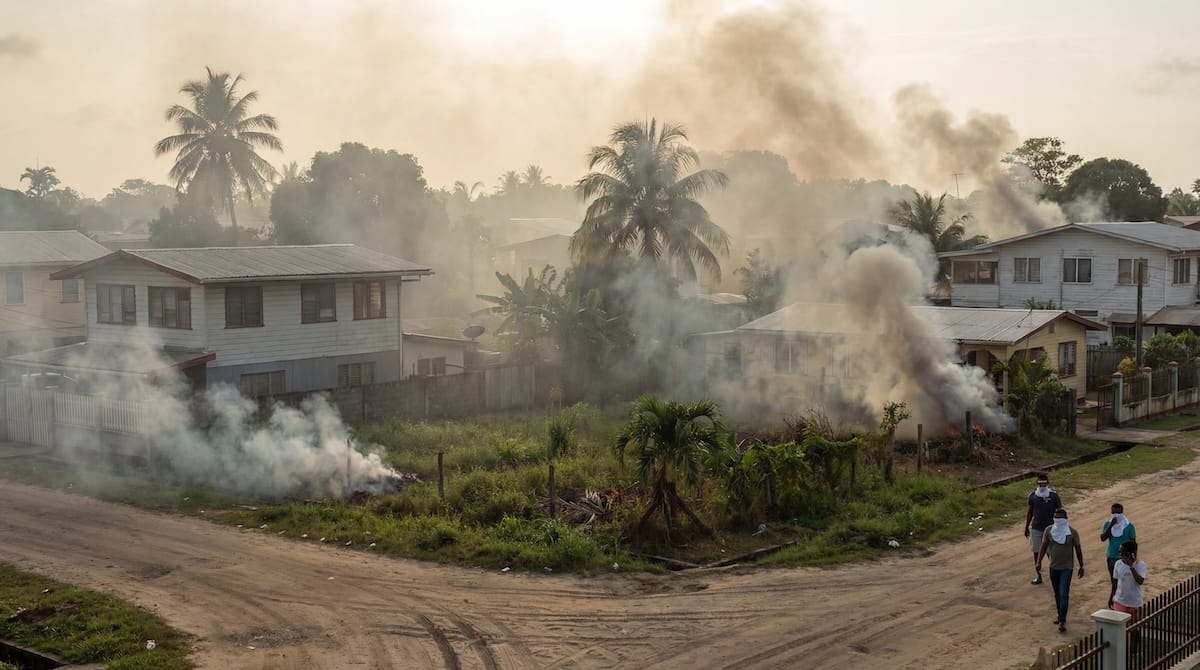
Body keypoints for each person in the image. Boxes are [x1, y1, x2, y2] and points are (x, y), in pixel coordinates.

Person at [1036, 507, 1085, 632]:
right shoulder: (1049, 531)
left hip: (1067, 568)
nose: (1058, 520)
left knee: (1064, 594)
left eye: (1061, 518)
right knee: (1057, 594)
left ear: (1066, 519)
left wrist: (1081, 566)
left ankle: (1062, 621)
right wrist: (1038, 561)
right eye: (1056, 517)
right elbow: (1043, 546)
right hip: (1053, 567)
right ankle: (1060, 615)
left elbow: (1078, 549)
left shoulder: (1072, 533)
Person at [1025, 474, 1063, 585]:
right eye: (1040, 484)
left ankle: (1055, 575)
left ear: (1047, 483)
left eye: (1044, 484)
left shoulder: (1054, 496)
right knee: (1037, 554)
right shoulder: (1033, 496)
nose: (1042, 485)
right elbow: (1030, 512)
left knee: (1051, 553)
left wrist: (1060, 526)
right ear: (1037, 484)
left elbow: (1060, 511)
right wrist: (1026, 526)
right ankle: (1039, 576)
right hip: (1036, 528)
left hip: (1051, 529)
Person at [1110, 540, 1147, 652]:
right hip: (1120, 600)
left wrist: (1131, 566)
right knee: (1120, 627)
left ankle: (1133, 650)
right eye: (1120, 552)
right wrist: (1111, 596)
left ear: (1131, 553)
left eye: (1123, 553)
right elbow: (1115, 581)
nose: (1120, 555)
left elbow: (1140, 581)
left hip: (1134, 601)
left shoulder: (1140, 565)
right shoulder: (1118, 564)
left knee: (1134, 628)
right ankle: (1121, 650)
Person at [1101, 503, 1136, 603]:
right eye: (1113, 512)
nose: (1115, 515)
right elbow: (1103, 538)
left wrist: (1133, 558)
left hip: (1125, 558)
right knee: (1114, 581)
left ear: (1122, 513)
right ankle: (1116, 600)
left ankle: (1124, 599)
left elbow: (1133, 542)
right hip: (1111, 556)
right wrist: (1111, 525)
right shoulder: (1107, 524)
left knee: (1125, 580)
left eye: (1117, 512)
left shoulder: (1129, 526)